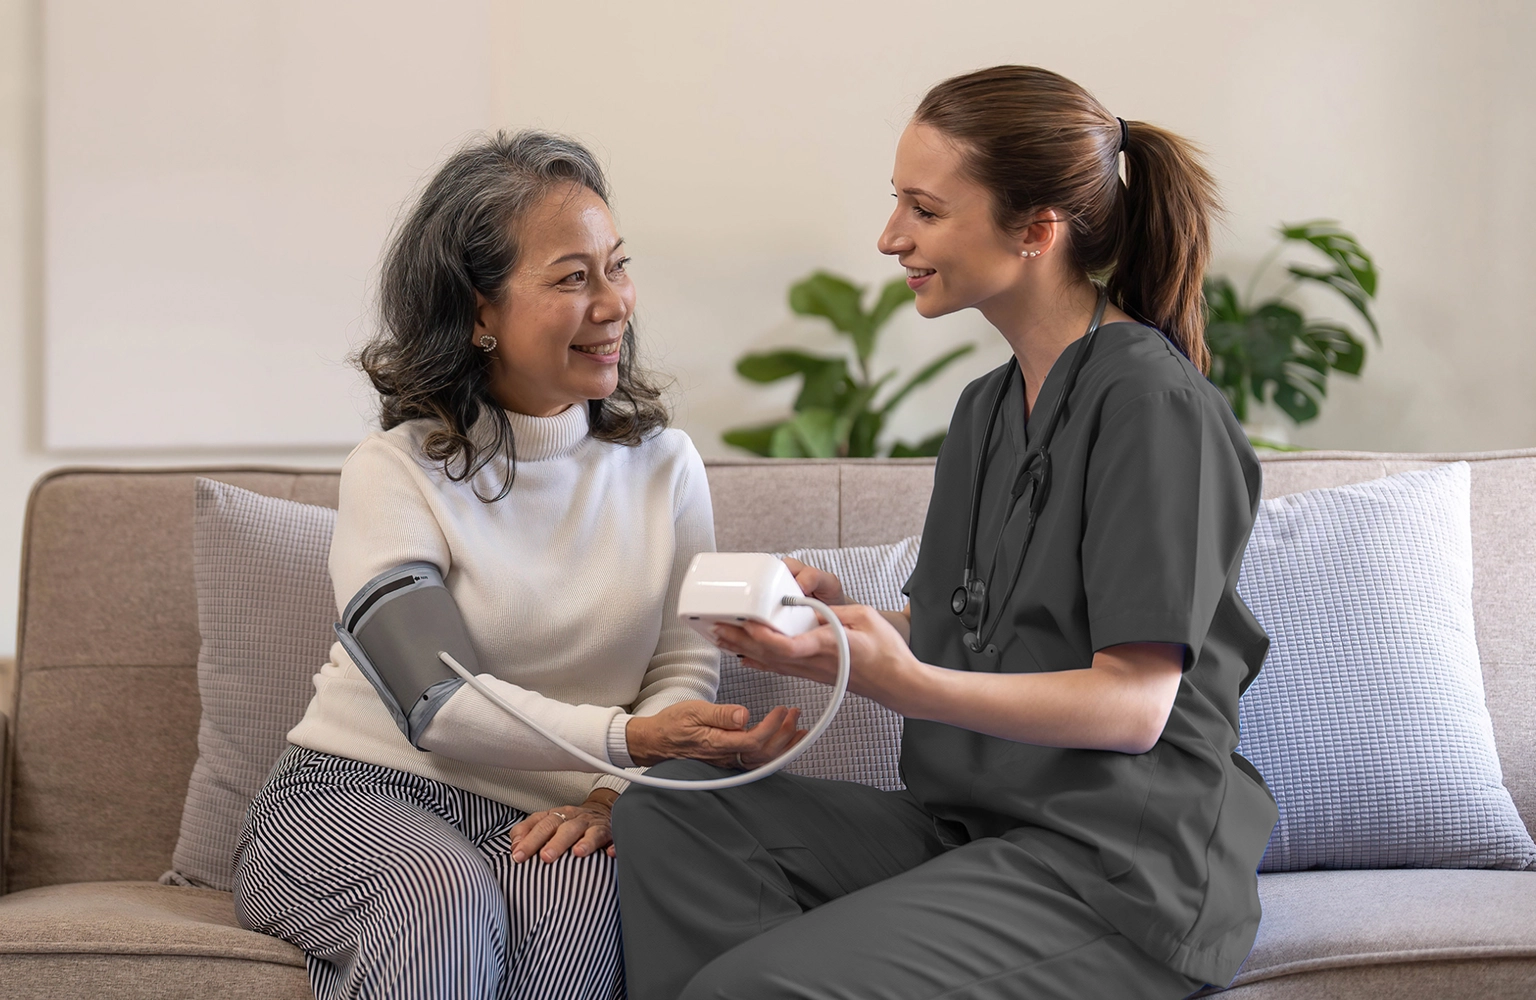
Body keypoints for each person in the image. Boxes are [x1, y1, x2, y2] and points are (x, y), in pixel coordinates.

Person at [612, 66, 1278, 1000]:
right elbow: (966, 627)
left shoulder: (1154, 408)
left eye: (924, 210)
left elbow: (1134, 707)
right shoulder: (985, 411)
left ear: (1037, 230)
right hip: (977, 831)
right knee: (676, 811)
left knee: (753, 985)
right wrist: (835, 627)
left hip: (1118, 872)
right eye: (898, 204)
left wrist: (911, 685)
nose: (891, 239)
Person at [231, 131, 803, 1000]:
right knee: (439, 897)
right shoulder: (394, 471)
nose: (614, 304)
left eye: (617, 267)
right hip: (355, 797)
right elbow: (437, 700)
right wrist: (630, 744)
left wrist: (617, 798)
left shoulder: (665, 466)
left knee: (581, 886)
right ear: (477, 313)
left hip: (552, 808)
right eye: (573, 278)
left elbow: (679, 661)